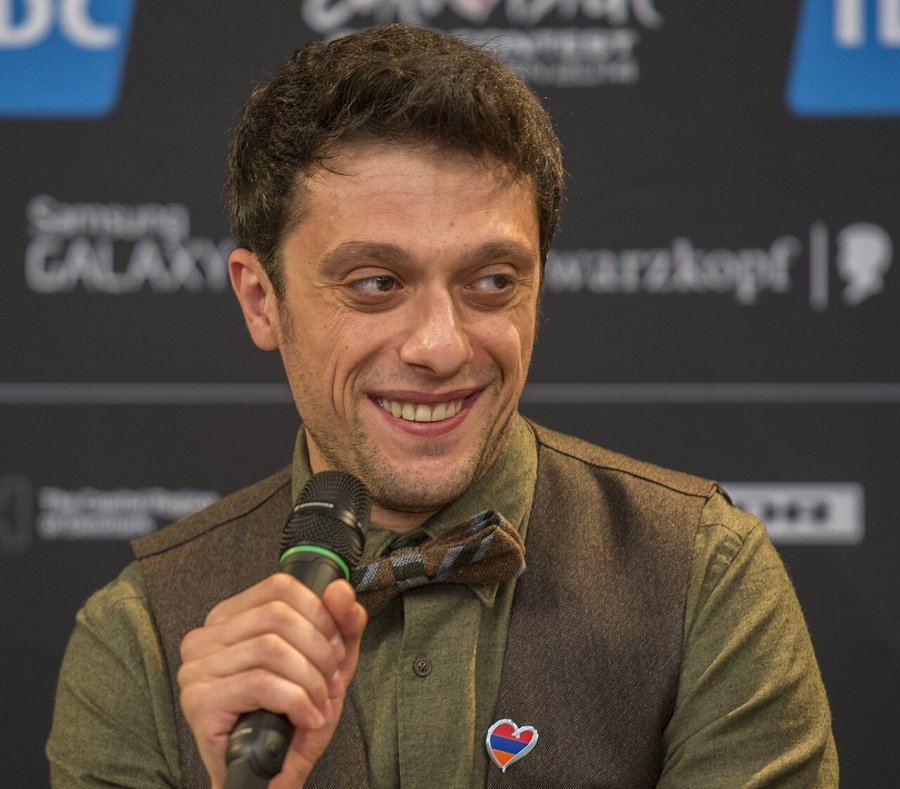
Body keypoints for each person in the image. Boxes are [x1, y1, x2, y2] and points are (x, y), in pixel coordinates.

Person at [47, 24, 838, 788]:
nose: (440, 346)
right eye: (376, 283)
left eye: (492, 280)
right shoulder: (138, 636)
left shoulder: (707, 575)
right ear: (262, 299)